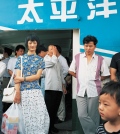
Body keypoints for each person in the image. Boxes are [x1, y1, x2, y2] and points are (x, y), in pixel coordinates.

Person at [69, 35, 110, 134]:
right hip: (81, 91)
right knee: (81, 115)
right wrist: (78, 76)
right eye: (86, 46)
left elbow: (106, 74)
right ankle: (96, 131)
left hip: (95, 91)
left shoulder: (100, 59)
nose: (88, 48)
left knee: (93, 116)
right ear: (84, 46)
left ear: (95, 46)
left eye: (90, 46)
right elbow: (70, 71)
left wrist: (98, 78)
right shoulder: (78, 57)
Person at [14, 34, 49, 134]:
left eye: (34, 43)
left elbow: (37, 76)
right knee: (25, 118)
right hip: (23, 92)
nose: (32, 45)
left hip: (36, 92)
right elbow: (17, 79)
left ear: (37, 44)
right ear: (27, 44)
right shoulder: (20, 59)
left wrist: (22, 78)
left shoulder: (40, 60)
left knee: (40, 116)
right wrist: (17, 93)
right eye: (30, 43)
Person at [43, 45, 67, 134]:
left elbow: (60, 75)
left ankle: (52, 126)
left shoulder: (57, 61)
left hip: (58, 89)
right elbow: (52, 63)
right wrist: (54, 55)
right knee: (49, 110)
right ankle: (47, 128)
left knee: (55, 110)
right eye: (51, 49)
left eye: (55, 49)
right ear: (48, 51)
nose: (54, 51)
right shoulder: (46, 59)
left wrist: (63, 86)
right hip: (50, 88)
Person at [54, 45, 69, 123]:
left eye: (53, 48)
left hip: (61, 82)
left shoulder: (62, 59)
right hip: (56, 82)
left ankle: (61, 117)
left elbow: (66, 70)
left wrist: (59, 76)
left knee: (61, 100)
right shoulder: (55, 59)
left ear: (56, 49)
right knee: (57, 100)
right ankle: (58, 116)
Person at [1, 47, 13, 113]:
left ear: (5, 53)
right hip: (11, 79)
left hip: (5, 79)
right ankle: (9, 108)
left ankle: (4, 109)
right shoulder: (11, 60)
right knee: (10, 94)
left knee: (4, 94)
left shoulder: (3, 61)